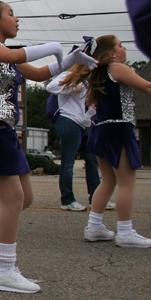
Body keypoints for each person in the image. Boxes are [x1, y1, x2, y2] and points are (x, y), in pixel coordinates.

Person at [0, 0, 97, 293]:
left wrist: (72, 60)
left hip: (3, 130)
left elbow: (40, 73)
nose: (16, 19)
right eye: (11, 13)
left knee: (25, 197)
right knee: (12, 200)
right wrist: (55, 46)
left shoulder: (9, 57)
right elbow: (17, 56)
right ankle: (5, 270)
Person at [70, 36, 151, 248]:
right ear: (110, 53)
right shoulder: (117, 68)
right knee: (127, 182)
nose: (124, 48)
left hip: (101, 129)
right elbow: (147, 86)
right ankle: (126, 232)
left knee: (108, 181)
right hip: (119, 129)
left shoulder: (97, 72)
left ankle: (94, 227)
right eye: (120, 45)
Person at [46, 58, 102, 211]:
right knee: (68, 162)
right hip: (67, 121)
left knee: (92, 160)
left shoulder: (85, 83)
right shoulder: (68, 76)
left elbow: (82, 107)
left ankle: (96, 199)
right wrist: (72, 88)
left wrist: (89, 113)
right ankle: (67, 200)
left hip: (80, 123)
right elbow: (50, 87)